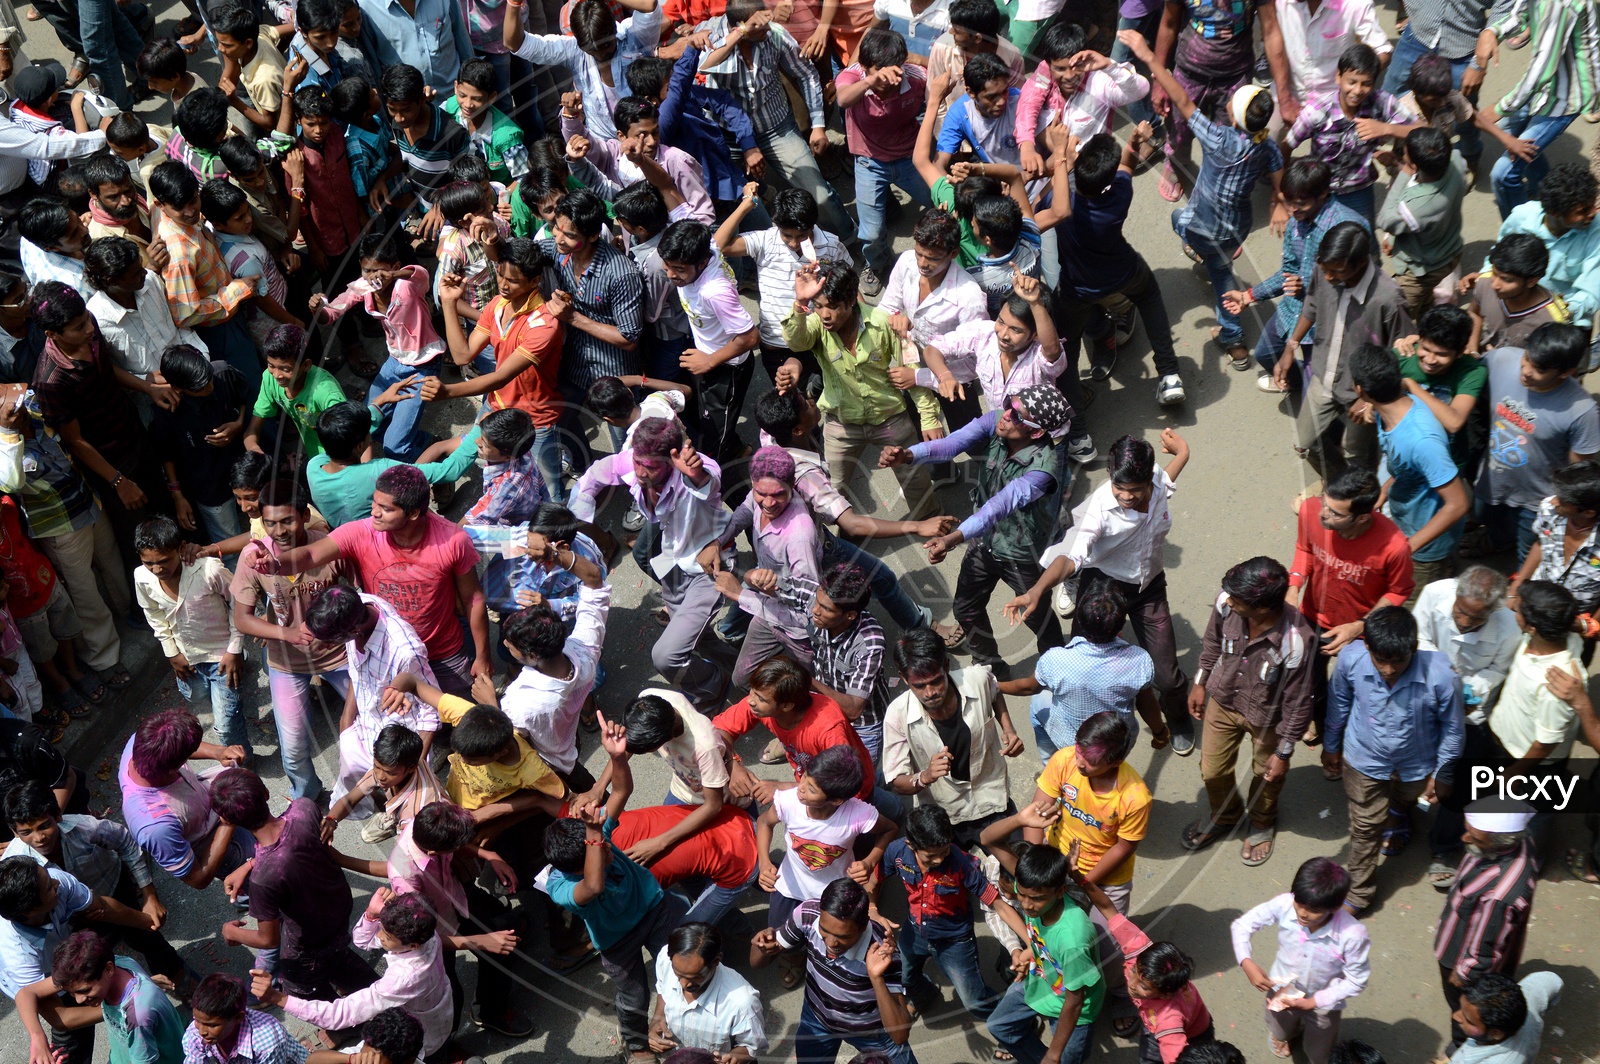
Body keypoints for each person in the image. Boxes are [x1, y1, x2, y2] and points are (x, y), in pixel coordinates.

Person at [1006, 431, 1197, 752]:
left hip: (1149, 587)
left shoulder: (1155, 481)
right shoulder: (1099, 509)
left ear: (1148, 482)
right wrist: (1037, 590)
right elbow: (1070, 557)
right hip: (1103, 591)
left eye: (1135, 490)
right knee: (1083, 663)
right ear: (1110, 475)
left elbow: (1167, 479)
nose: (1126, 496)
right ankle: (1081, 720)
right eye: (1119, 487)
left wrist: (1183, 453)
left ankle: (1177, 719)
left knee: (1167, 678)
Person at [1118, 30, 1283, 371]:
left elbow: (1182, 99)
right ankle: (1233, 338)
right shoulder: (1266, 147)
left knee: (1179, 222)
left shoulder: (1218, 138)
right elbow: (1279, 176)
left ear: (1234, 117)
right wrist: (1278, 202)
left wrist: (1147, 56)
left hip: (1203, 226)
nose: (1228, 102)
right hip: (1237, 227)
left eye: (1233, 102)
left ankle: (1230, 326)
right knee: (1220, 267)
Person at [882, 382, 1070, 674]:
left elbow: (998, 507)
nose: (1006, 415)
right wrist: (907, 455)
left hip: (1020, 551)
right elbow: (951, 444)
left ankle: (1059, 667)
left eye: (1017, 415)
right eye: (1009, 404)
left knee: (1036, 614)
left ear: (1036, 433)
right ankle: (990, 669)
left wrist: (953, 538)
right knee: (965, 608)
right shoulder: (995, 421)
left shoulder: (1042, 470)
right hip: (984, 541)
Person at [256, 464, 489, 696]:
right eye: (375, 502)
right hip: (387, 652)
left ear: (413, 513)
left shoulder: (453, 541)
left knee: (456, 709)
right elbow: (310, 555)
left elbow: (473, 599)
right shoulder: (361, 533)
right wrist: (276, 564)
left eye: (385, 508)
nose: (374, 512)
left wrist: (483, 656)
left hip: (444, 654)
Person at [543, 714, 691, 1064]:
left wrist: (617, 757)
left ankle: (668, 1020)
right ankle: (637, 1045)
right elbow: (593, 887)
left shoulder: (595, 835)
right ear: (574, 868)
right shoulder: (560, 886)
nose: (609, 849)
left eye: (603, 844)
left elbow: (622, 791)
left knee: (674, 969)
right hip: (616, 941)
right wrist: (596, 836)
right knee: (633, 996)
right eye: (599, 850)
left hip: (653, 909)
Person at [570, 418, 727, 709]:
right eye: (638, 463)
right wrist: (574, 523)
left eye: (651, 467)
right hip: (674, 562)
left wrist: (696, 474)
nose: (641, 472)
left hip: (709, 568)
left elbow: (709, 482)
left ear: (672, 459)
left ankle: (713, 686)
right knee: (697, 637)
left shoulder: (695, 468)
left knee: (666, 656)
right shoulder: (634, 461)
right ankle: (739, 666)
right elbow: (593, 477)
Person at [1324, 605, 1465, 915]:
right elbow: (1339, 702)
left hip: (1417, 765)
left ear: (1414, 649)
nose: (1388, 670)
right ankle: (1359, 893)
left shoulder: (1442, 676)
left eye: (1398, 661)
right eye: (1381, 660)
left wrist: (1443, 773)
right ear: (1368, 647)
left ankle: (1399, 816)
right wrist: (1331, 746)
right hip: (1364, 760)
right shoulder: (1350, 659)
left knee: (1404, 800)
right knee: (1364, 829)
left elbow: (1453, 729)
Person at [1020, 711, 1151, 1031]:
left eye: (1089, 761)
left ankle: (1120, 995)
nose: (1079, 762)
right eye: (1078, 750)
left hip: (1106, 880)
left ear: (1115, 761)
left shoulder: (1135, 797)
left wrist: (1082, 881)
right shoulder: (1064, 760)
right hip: (1058, 870)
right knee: (1049, 936)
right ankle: (1053, 987)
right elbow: (1036, 814)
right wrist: (1038, 865)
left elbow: (1123, 847)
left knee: (1109, 948)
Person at [779, 262, 940, 521]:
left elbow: (911, 369)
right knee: (832, 488)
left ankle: (931, 522)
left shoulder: (883, 323)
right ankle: (839, 531)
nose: (825, 315)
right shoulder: (816, 326)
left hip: (889, 418)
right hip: (841, 424)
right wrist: (800, 303)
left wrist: (929, 417)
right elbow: (796, 342)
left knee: (915, 477)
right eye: (818, 306)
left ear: (851, 300)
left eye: (833, 307)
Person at [1184, 557, 1316, 865]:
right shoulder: (1226, 602)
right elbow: (1212, 642)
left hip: (1268, 718)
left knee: (1266, 775)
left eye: (1237, 600)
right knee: (1212, 770)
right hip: (1223, 700)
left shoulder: (1296, 640)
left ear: (1263, 608)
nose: (1228, 600)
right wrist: (1200, 682)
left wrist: (1283, 753)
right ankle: (1225, 815)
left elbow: (1298, 701)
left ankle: (1261, 821)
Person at [229, 480, 351, 803]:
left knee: (372, 720)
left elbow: (361, 594)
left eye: (287, 521)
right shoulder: (253, 558)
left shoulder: (330, 547)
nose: (279, 531)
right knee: (293, 747)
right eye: (270, 523)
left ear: (304, 515)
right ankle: (306, 799)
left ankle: (371, 788)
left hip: (339, 655)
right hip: (286, 662)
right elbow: (242, 619)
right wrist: (288, 634)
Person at [210, 768, 378, 1001]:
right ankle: (379, 995)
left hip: (308, 943)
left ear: (226, 821)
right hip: (337, 911)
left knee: (306, 991)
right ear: (266, 793)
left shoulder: (262, 880)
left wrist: (231, 932)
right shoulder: (304, 809)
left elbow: (268, 939)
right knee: (337, 957)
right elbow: (291, 847)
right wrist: (249, 864)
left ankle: (349, 1017)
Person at [2, 781, 185, 989]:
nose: (39, 838)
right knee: (93, 962)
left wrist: (149, 896)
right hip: (73, 921)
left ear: (58, 816)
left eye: (44, 826)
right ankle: (132, 993)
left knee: (146, 938)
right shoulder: (16, 870)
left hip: (114, 888)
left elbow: (126, 843)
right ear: (14, 832)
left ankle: (180, 980)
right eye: (26, 832)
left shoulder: (85, 828)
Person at [1274, 222, 1414, 484]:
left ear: (1361, 263)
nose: (1328, 277)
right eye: (1325, 269)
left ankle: (1356, 493)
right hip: (1323, 377)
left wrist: (1370, 401)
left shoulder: (1389, 299)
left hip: (1362, 393)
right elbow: (1311, 306)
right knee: (1306, 443)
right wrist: (1290, 347)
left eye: (1337, 271)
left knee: (1357, 456)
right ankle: (1339, 485)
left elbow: (1402, 358)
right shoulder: (1324, 268)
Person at [1288, 468, 1417, 741]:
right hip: (1312, 618)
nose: (1324, 514)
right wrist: (1294, 585)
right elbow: (1305, 549)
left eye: (1336, 513)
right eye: (1325, 503)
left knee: (1359, 693)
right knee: (1312, 686)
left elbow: (1399, 590)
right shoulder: (1311, 510)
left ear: (1362, 517)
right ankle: (1323, 730)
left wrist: (1360, 626)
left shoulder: (1395, 547)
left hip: (1360, 634)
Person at [250, 891, 452, 1057]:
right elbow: (363, 941)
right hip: (439, 1011)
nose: (379, 935)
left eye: (387, 936)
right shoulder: (425, 932)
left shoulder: (403, 979)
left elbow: (339, 1014)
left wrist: (278, 998)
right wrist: (371, 915)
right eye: (381, 928)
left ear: (412, 945)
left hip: (422, 1035)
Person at [1, 857, 161, 1064]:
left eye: (49, 877)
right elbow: (62, 1018)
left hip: (64, 957)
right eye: (49, 888)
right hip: (43, 975)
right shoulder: (17, 956)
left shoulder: (56, 881)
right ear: (29, 911)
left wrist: (149, 921)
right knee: (73, 1046)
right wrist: (129, 1006)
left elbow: (103, 906)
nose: (56, 883)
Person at [1230, 158, 1367, 391]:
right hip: (1292, 310)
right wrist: (1249, 296)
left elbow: (1358, 284)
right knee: (1266, 353)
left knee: (1315, 392)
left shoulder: (1349, 229)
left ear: (1322, 194)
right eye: (1288, 201)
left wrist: (1308, 287)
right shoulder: (1297, 221)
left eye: (1300, 203)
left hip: (1325, 323)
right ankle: (1293, 379)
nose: (1292, 210)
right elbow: (1289, 271)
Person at [300, 587, 440, 815]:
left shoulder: (405, 652)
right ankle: (382, 810)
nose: (325, 648)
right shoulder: (359, 604)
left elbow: (431, 712)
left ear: (353, 631)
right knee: (356, 785)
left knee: (407, 804)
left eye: (329, 642)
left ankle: (394, 814)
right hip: (363, 727)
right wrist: (346, 721)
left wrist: (414, 768)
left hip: (398, 744)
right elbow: (357, 671)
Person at [979, 811, 1104, 1064]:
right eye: (1022, 894)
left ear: (1060, 891)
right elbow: (987, 839)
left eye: (1037, 899)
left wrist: (1054, 1054)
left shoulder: (1073, 939)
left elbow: (1074, 1000)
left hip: (1069, 1007)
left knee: (1064, 1059)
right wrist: (1020, 819)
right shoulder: (1030, 884)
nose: (1026, 905)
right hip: (1040, 980)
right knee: (1000, 1025)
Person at [752, 877, 915, 1064]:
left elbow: (899, 1035)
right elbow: (756, 963)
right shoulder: (807, 915)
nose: (830, 943)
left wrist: (876, 978)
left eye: (842, 937)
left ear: (863, 926)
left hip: (871, 1033)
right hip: (817, 1018)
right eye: (824, 930)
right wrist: (761, 947)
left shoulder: (883, 952)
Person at [882, 627, 1020, 848]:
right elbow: (897, 781)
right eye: (919, 686)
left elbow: (994, 691)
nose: (930, 692)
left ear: (946, 666)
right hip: (947, 816)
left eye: (936, 681)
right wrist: (925, 776)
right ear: (904, 678)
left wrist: (1008, 728)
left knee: (1019, 864)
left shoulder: (977, 679)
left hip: (992, 799)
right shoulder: (897, 716)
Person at [1472, 324, 1600, 561]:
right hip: (1491, 481)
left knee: (1528, 549)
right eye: (1527, 359)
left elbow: (1578, 471)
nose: (1526, 371)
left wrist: (1564, 504)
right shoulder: (1501, 359)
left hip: (1538, 499)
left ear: (1566, 373)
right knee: (1483, 516)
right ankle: (1498, 542)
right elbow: (1464, 368)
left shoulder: (1582, 412)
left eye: (1539, 369)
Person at [1350, 344, 1472, 590]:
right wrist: (1385, 491)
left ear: (1360, 390)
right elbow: (1406, 466)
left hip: (1425, 547)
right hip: (1407, 522)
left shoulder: (1422, 441)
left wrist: (1407, 548)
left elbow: (1458, 504)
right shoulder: (1387, 413)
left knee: (1411, 602)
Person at [1230, 858, 1371, 1064]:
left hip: (1323, 1002)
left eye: (1314, 910)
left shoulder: (1353, 935)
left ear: (1335, 907)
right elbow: (1242, 926)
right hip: (1282, 989)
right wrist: (1246, 962)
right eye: (1299, 903)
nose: (1303, 914)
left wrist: (1313, 1002)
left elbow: (1357, 980)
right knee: (1280, 1028)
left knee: (1319, 1051)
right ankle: (1286, 1036)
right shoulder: (1285, 904)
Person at [1002, 588, 1167, 761]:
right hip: (1117, 746)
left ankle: (1053, 764)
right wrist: (1160, 733)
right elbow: (1147, 704)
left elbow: (1028, 688)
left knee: (1038, 700)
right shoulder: (1139, 660)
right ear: (1120, 626)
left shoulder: (1055, 659)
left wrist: (994, 684)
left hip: (1072, 744)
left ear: (1080, 622)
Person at [132, 516, 249, 756]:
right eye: (148, 563)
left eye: (164, 561)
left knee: (226, 728)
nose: (157, 569)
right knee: (195, 694)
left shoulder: (209, 570)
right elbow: (153, 613)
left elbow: (238, 603)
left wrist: (234, 649)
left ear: (181, 548)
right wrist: (171, 652)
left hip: (221, 655)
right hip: (186, 658)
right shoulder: (141, 577)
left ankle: (242, 761)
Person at [757, 743, 896, 938]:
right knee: (781, 937)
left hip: (833, 895)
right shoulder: (788, 802)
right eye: (805, 777)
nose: (801, 789)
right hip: (789, 887)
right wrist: (764, 862)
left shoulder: (858, 814)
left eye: (812, 789)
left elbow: (889, 829)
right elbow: (764, 822)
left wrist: (869, 862)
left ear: (837, 800)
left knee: (826, 938)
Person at [1435, 805, 1540, 1056]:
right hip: (1464, 934)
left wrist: (1463, 975)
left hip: (1461, 957)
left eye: (1476, 838)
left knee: (1465, 1009)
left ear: (1502, 842)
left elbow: (1484, 951)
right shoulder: (1519, 842)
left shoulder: (1500, 895)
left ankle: (1461, 1048)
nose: (1464, 838)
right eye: (1468, 830)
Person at [879, 805, 1001, 1021]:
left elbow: (996, 902)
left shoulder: (963, 864)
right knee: (903, 975)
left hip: (955, 941)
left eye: (944, 851)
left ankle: (1008, 1021)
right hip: (914, 931)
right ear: (911, 845)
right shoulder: (896, 852)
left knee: (973, 1000)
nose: (939, 860)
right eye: (930, 856)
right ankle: (923, 995)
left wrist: (1027, 942)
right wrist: (872, 909)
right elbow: (873, 880)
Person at [836, 29, 932, 293]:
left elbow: (945, 71)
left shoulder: (916, 77)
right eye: (877, 70)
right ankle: (878, 264)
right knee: (871, 233)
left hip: (911, 158)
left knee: (942, 202)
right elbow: (843, 99)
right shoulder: (853, 77)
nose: (887, 79)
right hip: (870, 163)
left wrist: (920, 59)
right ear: (864, 66)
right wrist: (870, 81)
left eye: (894, 69)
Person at [1283, 44, 1420, 226]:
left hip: (1358, 189)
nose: (1357, 91)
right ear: (1338, 77)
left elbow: (1422, 129)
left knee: (1363, 237)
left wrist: (1386, 128)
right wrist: (1282, 192)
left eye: (1366, 84)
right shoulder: (1317, 111)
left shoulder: (1382, 102)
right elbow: (1285, 147)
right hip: (1319, 193)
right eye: (1352, 82)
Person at [116, 709, 251, 892]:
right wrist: (227, 824)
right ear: (172, 769)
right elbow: (199, 879)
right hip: (223, 850)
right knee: (262, 882)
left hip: (220, 816)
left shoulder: (144, 743)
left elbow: (181, 747)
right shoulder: (156, 827)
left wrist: (219, 752)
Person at [43, 931, 187, 1064]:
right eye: (72, 993)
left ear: (109, 969)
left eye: (85, 990)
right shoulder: (120, 964)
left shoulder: (137, 1016)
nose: (78, 1000)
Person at [1377, 127, 1468, 320]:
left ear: (1416, 167)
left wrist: (1404, 173)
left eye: (1405, 156)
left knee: (1397, 319)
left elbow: (1385, 218)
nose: (1403, 157)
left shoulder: (1419, 206)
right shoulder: (1455, 160)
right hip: (1450, 252)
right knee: (1426, 307)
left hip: (1421, 271)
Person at [650, 923, 768, 1062]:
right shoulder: (665, 959)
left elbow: (753, 1045)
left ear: (716, 961)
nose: (684, 984)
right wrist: (657, 1020)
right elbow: (662, 990)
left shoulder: (742, 1003)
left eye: (695, 977)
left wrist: (733, 1058)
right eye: (678, 974)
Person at [1396, 305, 1487, 476]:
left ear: (1460, 353)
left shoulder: (1472, 371)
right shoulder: (1401, 357)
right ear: (1419, 339)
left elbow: (1454, 422)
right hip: (1401, 456)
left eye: (1441, 354)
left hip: (1446, 463)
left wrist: (1411, 385)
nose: (1430, 360)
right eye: (1425, 349)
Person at [322, 724, 444, 846]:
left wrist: (336, 856)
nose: (380, 776)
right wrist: (331, 820)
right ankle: (393, 816)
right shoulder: (393, 765)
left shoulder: (415, 811)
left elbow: (408, 856)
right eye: (376, 766)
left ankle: (397, 821)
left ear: (411, 768)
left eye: (390, 773)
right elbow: (350, 799)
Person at [1514, 459, 1600, 618]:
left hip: (1573, 619)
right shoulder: (1549, 510)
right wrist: (1516, 587)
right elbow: (1540, 544)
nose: (1554, 502)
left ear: (1588, 513)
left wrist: (1589, 627)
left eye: (1563, 501)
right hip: (1534, 602)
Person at [1466, 234, 1569, 354]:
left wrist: (1503, 360)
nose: (1495, 285)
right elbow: (1474, 313)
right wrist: (1473, 351)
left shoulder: (1552, 322)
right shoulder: (1485, 281)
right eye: (1494, 273)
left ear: (1531, 281)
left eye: (1507, 279)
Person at [181, 972, 311, 1064]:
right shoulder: (196, 1032)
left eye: (212, 1025)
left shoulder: (267, 1043)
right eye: (196, 1020)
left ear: (238, 1018)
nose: (201, 1031)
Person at [1449, 971, 1564, 1064]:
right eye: (1461, 1009)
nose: (1455, 1016)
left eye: (1469, 1021)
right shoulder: (1527, 999)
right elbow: (1553, 981)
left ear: (1496, 1033)